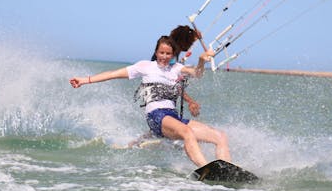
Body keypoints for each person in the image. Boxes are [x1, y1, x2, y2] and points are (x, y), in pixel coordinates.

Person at [69, 36, 230, 167]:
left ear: (173, 55)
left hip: (173, 117)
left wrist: (202, 60)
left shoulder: (176, 69)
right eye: (162, 53)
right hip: (156, 115)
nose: (165, 57)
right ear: (156, 52)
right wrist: (85, 80)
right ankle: (206, 169)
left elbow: (197, 73)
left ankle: (226, 170)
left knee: (220, 136)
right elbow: (112, 74)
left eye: (168, 54)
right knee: (186, 133)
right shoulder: (145, 66)